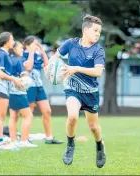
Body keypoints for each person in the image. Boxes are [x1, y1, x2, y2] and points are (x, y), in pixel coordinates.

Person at [49, 14, 106, 167]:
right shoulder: (71, 44)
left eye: (99, 31)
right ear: (85, 30)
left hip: (90, 92)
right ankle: (70, 146)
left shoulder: (98, 50)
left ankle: (100, 146)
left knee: (93, 127)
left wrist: (76, 68)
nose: (97, 34)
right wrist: (51, 67)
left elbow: (98, 72)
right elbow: (55, 58)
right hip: (72, 88)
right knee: (72, 116)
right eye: (95, 30)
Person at [22, 36, 63, 144]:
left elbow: (47, 65)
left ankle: (49, 137)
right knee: (29, 112)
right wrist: (31, 52)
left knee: (47, 111)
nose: (35, 46)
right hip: (29, 86)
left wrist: (41, 50)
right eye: (34, 44)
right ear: (27, 45)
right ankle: (25, 138)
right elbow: (28, 67)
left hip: (39, 86)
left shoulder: (38, 55)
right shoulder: (23, 55)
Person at [0, 32, 22, 150]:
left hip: (5, 86)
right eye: (12, 39)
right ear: (5, 41)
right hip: (1, 86)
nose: (14, 41)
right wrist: (13, 79)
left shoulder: (5, 54)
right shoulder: (2, 54)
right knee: (0, 116)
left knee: (2, 115)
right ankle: (0, 141)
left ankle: (0, 139)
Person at [9, 41, 37, 147]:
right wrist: (27, 79)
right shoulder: (18, 60)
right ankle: (24, 140)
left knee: (13, 116)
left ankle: (13, 141)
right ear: (14, 49)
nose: (22, 49)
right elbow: (25, 74)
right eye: (20, 47)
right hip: (19, 92)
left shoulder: (10, 59)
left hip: (11, 92)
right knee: (28, 116)